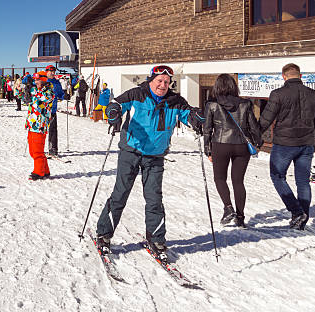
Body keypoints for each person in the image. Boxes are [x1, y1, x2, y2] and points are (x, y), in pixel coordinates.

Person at [95, 65, 203, 262]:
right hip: (131, 150)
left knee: (154, 199)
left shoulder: (175, 101)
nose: (162, 85)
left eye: (166, 82)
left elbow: (188, 114)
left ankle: (156, 239)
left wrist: (196, 118)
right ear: (151, 80)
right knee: (120, 194)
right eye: (159, 81)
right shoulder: (138, 93)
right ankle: (104, 235)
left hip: (155, 155)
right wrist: (113, 111)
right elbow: (117, 104)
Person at [259, 63, 315, 230]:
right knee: (303, 182)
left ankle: (297, 211)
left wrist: (253, 136)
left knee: (277, 176)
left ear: (284, 76)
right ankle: (302, 220)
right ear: (300, 76)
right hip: (307, 143)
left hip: (284, 144)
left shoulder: (278, 94)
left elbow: (265, 120)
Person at [203, 74, 263, 228]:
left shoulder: (211, 104)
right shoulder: (245, 103)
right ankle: (241, 218)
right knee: (238, 181)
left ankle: (228, 207)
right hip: (241, 145)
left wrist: (207, 150)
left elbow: (207, 129)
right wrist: (258, 142)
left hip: (220, 144)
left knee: (220, 178)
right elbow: (253, 126)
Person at [25, 71, 55, 180]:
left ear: (43, 80)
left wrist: (33, 91)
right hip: (31, 123)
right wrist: (24, 89)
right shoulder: (35, 90)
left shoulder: (49, 91)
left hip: (40, 124)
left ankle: (38, 172)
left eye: (37, 80)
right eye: (35, 80)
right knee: (32, 151)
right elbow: (23, 97)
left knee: (37, 150)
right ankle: (45, 170)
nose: (35, 82)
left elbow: (45, 98)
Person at [45, 65, 64, 157]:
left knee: (53, 129)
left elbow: (60, 94)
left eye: (53, 71)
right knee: (41, 130)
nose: (52, 73)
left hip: (52, 109)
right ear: (46, 72)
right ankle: (39, 149)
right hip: (43, 110)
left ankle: (53, 149)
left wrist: (64, 96)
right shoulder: (44, 81)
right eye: (50, 71)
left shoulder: (56, 82)